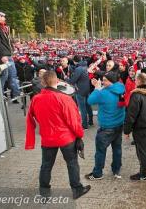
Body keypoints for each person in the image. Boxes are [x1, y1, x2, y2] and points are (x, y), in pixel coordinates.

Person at [25, 71, 90, 199]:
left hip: (47, 138)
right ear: (57, 81)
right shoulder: (65, 99)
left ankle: (44, 194)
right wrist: (79, 135)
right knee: (72, 164)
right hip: (66, 138)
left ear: (43, 83)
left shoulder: (35, 99)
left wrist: (31, 138)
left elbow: (30, 119)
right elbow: (74, 121)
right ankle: (77, 189)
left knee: (46, 165)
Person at [85, 71, 125, 180]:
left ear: (111, 81)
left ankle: (97, 173)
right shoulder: (121, 87)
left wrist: (97, 88)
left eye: (105, 80)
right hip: (119, 124)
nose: (102, 82)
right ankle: (116, 169)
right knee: (117, 149)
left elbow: (90, 100)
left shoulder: (104, 93)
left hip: (107, 127)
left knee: (100, 151)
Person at [0, 11, 21, 99]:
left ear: (4, 18)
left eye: (1, 16)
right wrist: (2, 55)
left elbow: (6, 42)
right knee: (5, 75)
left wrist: (12, 50)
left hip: (8, 54)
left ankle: (15, 94)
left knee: (11, 75)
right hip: (4, 56)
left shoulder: (4, 27)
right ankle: (0, 95)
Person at [67, 55, 93, 129]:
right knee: (88, 106)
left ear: (75, 61)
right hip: (87, 88)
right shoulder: (85, 66)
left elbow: (72, 81)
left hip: (80, 90)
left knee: (82, 108)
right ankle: (90, 121)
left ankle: (84, 125)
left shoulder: (79, 69)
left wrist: (66, 79)